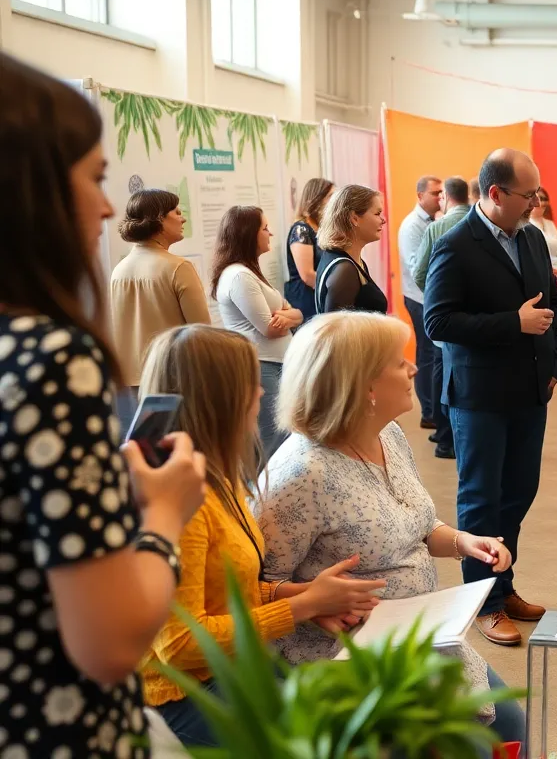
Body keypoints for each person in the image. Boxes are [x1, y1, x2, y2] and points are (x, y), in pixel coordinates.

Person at [0, 52, 208, 758]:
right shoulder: (53, 360)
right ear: (28, 189)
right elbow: (111, 641)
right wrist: (164, 512)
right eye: (92, 177)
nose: (108, 205)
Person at [258, 311, 526, 747]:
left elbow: (415, 524)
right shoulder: (301, 474)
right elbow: (259, 585)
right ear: (364, 386)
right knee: (474, 745)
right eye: (400, 363)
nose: (414, 368)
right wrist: (314, 600)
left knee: (512, 725)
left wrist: (463, 541)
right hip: (351, 656)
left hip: (420, 633)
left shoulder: (389, 436)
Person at [137, 325, 384, 747]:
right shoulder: (181, 504)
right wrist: (303, 605)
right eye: (249, 383)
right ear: (219, 399)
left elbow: (225, 590)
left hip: (233, 667)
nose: (261, 392)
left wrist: (306, 596)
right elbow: (179, 645)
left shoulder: (217, 475)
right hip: (186, 691)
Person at [424, 149, 557, 646]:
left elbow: (554, 303)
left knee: (519, 492)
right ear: (496, 194)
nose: (536, 204)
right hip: (479, 397)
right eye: (529, 195)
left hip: (530, 391)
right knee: (482, 499)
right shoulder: (455, 245)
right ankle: (482, 602)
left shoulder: (531, 238)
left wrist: (552, 365)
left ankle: (503, 586)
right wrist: (513, 324)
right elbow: (437, 322)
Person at [109, 188, 212, 432]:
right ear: (158, 219)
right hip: (172, 381)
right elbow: (201, 332)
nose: (183, 218)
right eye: (176, 212)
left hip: (129, 386)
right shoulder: (178, 267)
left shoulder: (119, 270)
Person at [211, 205, 302, 461]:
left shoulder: (250, 273)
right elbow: (269, 329)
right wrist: (290, 316)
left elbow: (297, 313)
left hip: (275, 365)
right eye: (264, 228)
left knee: (283, 438)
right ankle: (260, 488)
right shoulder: (239, 276)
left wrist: (291, 316)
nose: (270, 233)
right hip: (262, 366)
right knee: (270, 443)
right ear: (248, 234)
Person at [413, 176, 473, 460]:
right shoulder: (481, 225)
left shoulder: (437, 228)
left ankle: (445, 437)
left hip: (444, 317)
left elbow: (419, 273)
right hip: (477, 318)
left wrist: (437, 296)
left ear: (447, 197)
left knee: (443, 373)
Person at [397, 175, 443, 428]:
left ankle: (433, 409)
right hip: (420, 298)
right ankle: (428, 412)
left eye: (441, 193)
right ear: (420, 196)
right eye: (435, 193)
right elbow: (417, 270)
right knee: (427, 353)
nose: (440, 197)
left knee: (433, 354)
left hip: (430, 297)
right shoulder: (412, 226)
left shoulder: (435, 222)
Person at [315, 184, 388, 315]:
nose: (383, 220)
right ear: (354, 218)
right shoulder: (344, 269)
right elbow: (335, 326)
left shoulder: (353, 261)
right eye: (377, 213)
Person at [530, 187, 557, 367]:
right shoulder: (527, 225)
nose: (542, 202)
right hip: (541, 279)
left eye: (545, 198)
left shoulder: (550, 224)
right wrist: (548, 270)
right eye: (539, 198)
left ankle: (556, 362)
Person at [284, 177, 334, 324]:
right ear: (316, 199)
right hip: (307, 300)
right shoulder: (301, 229)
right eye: (330, 196)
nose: (335, 201)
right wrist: (335, 289)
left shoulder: (322, 228)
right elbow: (307, 275)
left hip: (321, 296)